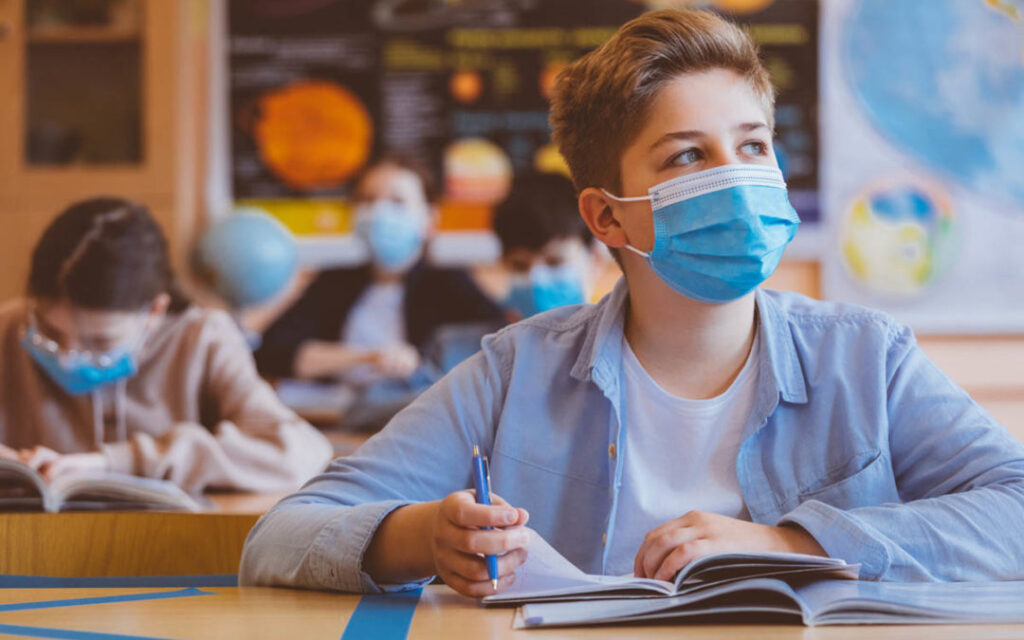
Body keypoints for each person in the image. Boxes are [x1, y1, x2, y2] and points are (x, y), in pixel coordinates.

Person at [240, 9, 1024, 595]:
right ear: (606, 216)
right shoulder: (516, 374)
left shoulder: (866, 357)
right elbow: (278, 537)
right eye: (688, 156)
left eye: (752, 146)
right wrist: (418, 538)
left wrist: (790, 543)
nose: (738, 177)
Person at [0, 197, 333, 493]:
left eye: (101, 341)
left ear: (154, 311)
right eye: (49, 331)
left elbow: (297, 452)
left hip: (169, 554)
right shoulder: (9, 327)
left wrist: (118, 463)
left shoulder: (201, 338)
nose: (69, 356)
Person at [253, 157, 505, 385]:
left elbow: (495, 347)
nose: (379, 213)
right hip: (336, 419)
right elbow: (272, 352)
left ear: (430, 218)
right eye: (367, 199)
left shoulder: (448, 282)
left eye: (397, 202)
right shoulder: (333, 282)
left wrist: (417, 361)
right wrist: (367, 356)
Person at [493, 171, 605, 321]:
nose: (536, 279)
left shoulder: (627, 340)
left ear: (595, 258)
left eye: (555, 262)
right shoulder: (487, 342)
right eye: (520, 266)